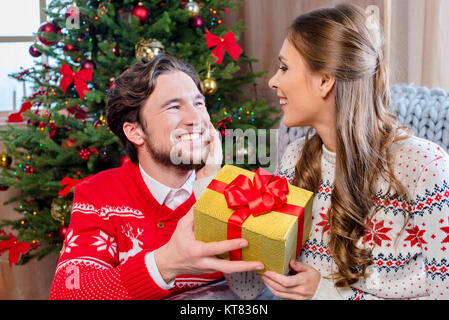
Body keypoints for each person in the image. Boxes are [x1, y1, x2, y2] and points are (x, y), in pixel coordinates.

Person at [226, 3, 449, 300]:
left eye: (284, 67)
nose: (273, 81)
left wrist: (326, 293)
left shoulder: (424, 168)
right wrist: (211, 186)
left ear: (324, 80)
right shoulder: (295, 160)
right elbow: (248, 290)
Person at [49, 54, 264, 300]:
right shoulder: (100, 195)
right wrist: (166, 263)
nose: (196, 119)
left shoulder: (237, 189)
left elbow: (258, 286)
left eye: (198, 103)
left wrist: (209, 190)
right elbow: (68, 292)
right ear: (135, 131)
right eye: (174, 107)